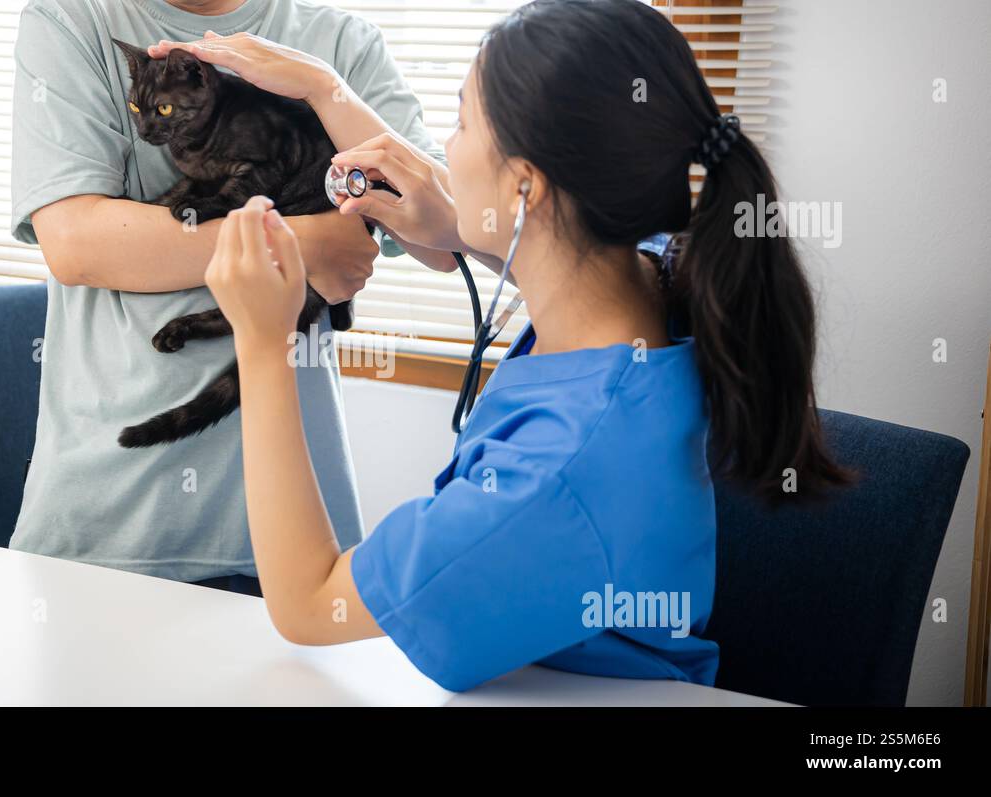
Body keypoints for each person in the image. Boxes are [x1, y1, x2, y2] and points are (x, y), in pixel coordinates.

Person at [163, 0, 851, 691]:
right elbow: (551, 247)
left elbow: (310, 601)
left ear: (526, 186)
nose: (446, 149)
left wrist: (261, 339)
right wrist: (330, 95)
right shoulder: (656, 287)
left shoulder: (556, 476)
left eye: (462, 122)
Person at [8, 0, 452, 594]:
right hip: (112, 518)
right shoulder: (74, 20)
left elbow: (445, 240)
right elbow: (74, 245)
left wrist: (326, 91)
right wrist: (304, 243)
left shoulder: (338, 42)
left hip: (297, 529)